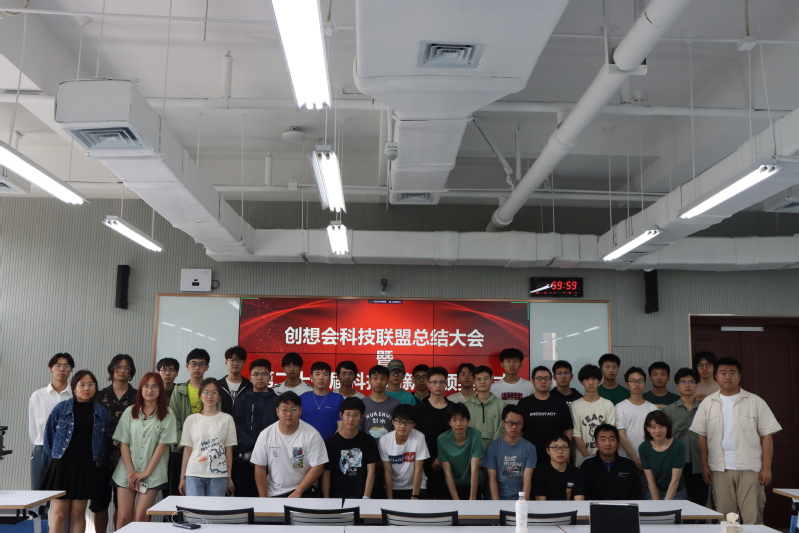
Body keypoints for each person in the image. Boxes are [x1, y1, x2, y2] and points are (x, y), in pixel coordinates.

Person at [690, 357, 781, 525]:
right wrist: (704, 466)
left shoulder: (755, 401)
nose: (727, 377)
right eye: (723, 373)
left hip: (750, 468)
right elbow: (701, 436)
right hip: (719, 469)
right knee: (726, 519)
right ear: (716, 376)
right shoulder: (707, 403)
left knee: (753, 518)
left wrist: (767, 468)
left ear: (740, 376)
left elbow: (767, 435)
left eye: (732, 373)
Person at [42, 370, 108, 533]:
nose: (86, 388)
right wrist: (56, 459)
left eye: (91, 384)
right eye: (82, 384)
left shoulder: (101, 411)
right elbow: (48, 436)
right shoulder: (62, 408)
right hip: (62, 466)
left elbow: (103, 439)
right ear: (74, 388)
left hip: (85, 466)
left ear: (95, 387)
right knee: (59, 512)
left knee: (78, 513)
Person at [113, 372, 177, 527]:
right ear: (141, 389)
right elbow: (123, 443)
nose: (150, 390)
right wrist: (130, 472)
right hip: (126, 472)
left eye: (154, 386)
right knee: (123, 517)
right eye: (146, 386)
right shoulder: (130, 412)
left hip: (152, 473)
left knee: (141, 517)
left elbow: (162, 447)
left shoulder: (168, 414)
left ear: (160, 390)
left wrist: (146, 472)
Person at [251, 391, 328, 497]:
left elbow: (318, 467)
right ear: (277, 411)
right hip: (274, 492)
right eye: (284, 410)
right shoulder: (266, 434)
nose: (289, 414)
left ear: (300, 411)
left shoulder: (312, 435)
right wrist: (263, 498)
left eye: (293, 409)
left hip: (304, 489)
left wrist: (298, 492)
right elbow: (260, 467)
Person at [93, 354, 138, 533]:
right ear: (111, 369)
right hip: (100, 458)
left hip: (127, 459)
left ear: (131, 372)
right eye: (118, 367)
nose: (122, 371)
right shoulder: (98, 395)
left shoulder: (138, 397)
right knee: (99, 504)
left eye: (126, 368)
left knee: (122, 506)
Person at [168, 348, 219, 495]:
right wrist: (184, 444)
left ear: (207, 367)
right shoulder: (179, 391)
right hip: (181, 450)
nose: (197, 368)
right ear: (187, 366)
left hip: (208, 451)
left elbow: (217, 419)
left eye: (201, 364)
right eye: (193, 364)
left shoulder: (214, 391)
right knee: (179, 493)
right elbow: (174, 421)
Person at [178, 378, 237, 496]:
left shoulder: (227, 419)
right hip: (194, 473)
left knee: (215, 507)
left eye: (214, 392)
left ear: (219, 396)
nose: (210, 396)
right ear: (200, 395)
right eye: (206, 392)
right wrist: (182, 478)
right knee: (194, 507)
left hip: (218, 474)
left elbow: (229, 450)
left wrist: (229, 477)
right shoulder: (191, 419)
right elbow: (187, 449)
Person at [29, 353, 74, 499]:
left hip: (68, 451)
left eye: (66, 366)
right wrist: (41, 444)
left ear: (71, 370)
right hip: (42, 449)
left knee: (63, 497)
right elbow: (33, 426)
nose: (62, 369)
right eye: (58, 365)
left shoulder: (75, 396)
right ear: (50, 368)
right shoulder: (38, 395)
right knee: (38, 497)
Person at [232, 358, 278, 497]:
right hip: (245, 457)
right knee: (244, 496)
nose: (260, 378)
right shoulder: (241, 399)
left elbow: (277, 428)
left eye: (264, 374)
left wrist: (261, 451)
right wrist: (252, 449)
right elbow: (237, 425)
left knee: (267, 496)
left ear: (269, 377)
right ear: (250, 377)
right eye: (256, 374)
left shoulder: (277, 401)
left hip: (270, 458)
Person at [663, 367, 707, 508]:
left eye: (691, 382)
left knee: (699, 502)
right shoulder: (669, 410)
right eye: (683, 382)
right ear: (677, 386)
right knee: (678, 503)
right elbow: (664, 438)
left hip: (700, 462)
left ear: (696, 384)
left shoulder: (705, 409)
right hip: (676, 463)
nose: (687, 385)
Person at [322, 397, 378, 499]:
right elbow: (326, 473)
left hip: (361, 497)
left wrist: (366, 496)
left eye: (355, 415)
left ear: (361, 417)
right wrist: (326, 498)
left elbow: (371, 471)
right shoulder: (330, 443)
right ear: (341, 415)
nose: (351, 419)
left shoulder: (368, 441)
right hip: (336, 497)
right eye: (347, 414)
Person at [518, 365, 573, 466]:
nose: (543, 381)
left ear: (551, 380)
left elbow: (567, 430)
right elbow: (519, 431)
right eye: (539, 378)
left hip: (556, 455)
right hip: (530, 455)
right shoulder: (524, 403)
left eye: (546, 378)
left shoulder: (560, 403)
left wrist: (567, 453)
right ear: (533, 381)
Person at [414, 366, 453, 500]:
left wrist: (443, 459)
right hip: (424, 466)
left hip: (449, 465)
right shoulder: (418, 410)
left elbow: (456, 437)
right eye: (434, 382)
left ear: (446, 384)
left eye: (441, 382)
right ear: (428, 384)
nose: (438, 385)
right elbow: (417, 438)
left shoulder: (453, 409)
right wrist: (431, 459)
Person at [484, 405, 536, 500]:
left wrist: (523, 503)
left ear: (523, 424)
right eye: (510, 423)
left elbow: (527, 478)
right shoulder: (493, 447)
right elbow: (492, 478)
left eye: (518, 423)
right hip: (498, 498)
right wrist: (497, 504)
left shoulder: (529, 448)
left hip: (520, 499)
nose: (514, 427)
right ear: (503, 423)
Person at [380, 405, 429, 499]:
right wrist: (390, 499)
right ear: (393, 422)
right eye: (399, 421)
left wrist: (414, 496)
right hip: (393, 486)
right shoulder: (384, 440)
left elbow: (418, 469)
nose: (402, 426)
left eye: (407, 422)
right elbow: (388, 471)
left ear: (413, 424)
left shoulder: (419, 437)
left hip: (416, 486)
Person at [580, 424, 641, 500]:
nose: (607, 443)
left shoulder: (629, 465)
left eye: (612, 439)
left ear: (617, 442)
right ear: (596, 443)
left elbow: (636, 494)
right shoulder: (586, 465)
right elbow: (582, 493)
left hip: (624, 507)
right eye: (603, 439)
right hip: (594, 506)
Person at [570, 364, 616, 463]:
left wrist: (600, 460)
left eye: (594, 379)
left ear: (599, 381)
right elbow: (576, 435)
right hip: (581, 460)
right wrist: (589, 460)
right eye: (587, 379)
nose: (591, 383)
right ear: (581, 382)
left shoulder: (608, 405)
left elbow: (611, 433)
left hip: (605, 460)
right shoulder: (575, 405)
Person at [438, 403, 484, 500]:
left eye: (462, 419)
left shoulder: (476, 435)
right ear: (449, 422)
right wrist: (457, 500)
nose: (458, 424)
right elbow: (447, 472)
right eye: (454, 420)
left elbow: (475, 468)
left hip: (472, 485)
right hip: (452, 485)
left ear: (468, 421)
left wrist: (472, 498)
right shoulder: (442, 440)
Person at [615, 367, 658, 471]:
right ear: (626, 384)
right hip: (625, 461)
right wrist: (636, 460)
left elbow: (657, 436)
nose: (637, 384)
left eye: (640, 381)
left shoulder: (653, 408)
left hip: (649, 461)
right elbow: (621, 436)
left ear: (645, 384)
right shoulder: (619, 407)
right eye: (633, 381)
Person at [639, 410, 686, 500]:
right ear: (647, 428)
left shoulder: (679, 446)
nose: (657, 431)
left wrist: (665, 503)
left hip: (676, 491)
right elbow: (650, 481)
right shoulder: (644, 447)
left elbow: (675, 480)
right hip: (655, 490)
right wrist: (657, 504)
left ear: (667, 427)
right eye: (653, 427)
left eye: (661, 426)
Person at [532, 433, 585, 501]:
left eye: (564, 447)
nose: (560, 451)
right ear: (547, 450)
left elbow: (579, 502)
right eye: (555, 447)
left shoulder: (576, 472)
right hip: (547, 508)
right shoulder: (540, 472)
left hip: (571, 508)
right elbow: (541, 503)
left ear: (570, 449)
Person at [299, 361, 344, 440]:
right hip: (307, 443)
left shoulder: (338, 399)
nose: (321, 378)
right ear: (311, 377)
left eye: (325, 374)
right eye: (317, 374)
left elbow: (341, 426)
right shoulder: (302, 399)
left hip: (331, 443)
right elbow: (297, 424)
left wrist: (332, 442)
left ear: (329, 377)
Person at [465, 365, 506, 449]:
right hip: (472, 451)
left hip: (496, 450)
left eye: (486, 378)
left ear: (491, 380)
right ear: (474, 381)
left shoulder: (502, 405)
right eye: (478, 379)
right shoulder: (466, 406)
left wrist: (493, 448)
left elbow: (504, 429)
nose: (482, 382)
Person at [360, 365, 400, 440]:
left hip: (389, 446)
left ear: (387, 381)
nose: (379, 382)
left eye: (383, 379)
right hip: (367, 446)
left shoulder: (395, 404)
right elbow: (358, 429)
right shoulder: (361, 403)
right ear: (369, 380)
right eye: (375, 378)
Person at [217, 346, 251, 415]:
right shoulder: (218, 385)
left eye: (239, 360)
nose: (235, 364)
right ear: (226, 362)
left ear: (244, 363)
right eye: (232, 360)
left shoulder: (249, 386)